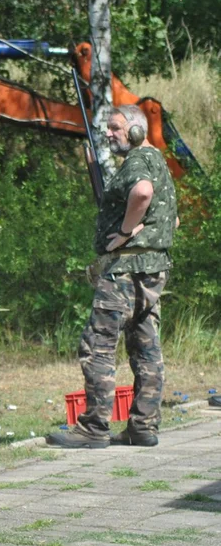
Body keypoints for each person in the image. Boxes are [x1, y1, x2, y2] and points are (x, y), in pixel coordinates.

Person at [48, 104, 177, 449]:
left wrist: (124, 231)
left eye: (115, 128)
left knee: (98, 344)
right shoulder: (159, 162)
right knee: (146, 347)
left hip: (126, 270)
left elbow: (143, 193)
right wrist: (143, 231)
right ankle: (143, 426)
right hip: (153, 269)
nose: (109, 134)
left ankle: (94, 427)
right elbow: (172, 220)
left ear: (135, 131)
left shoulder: (137, 162)